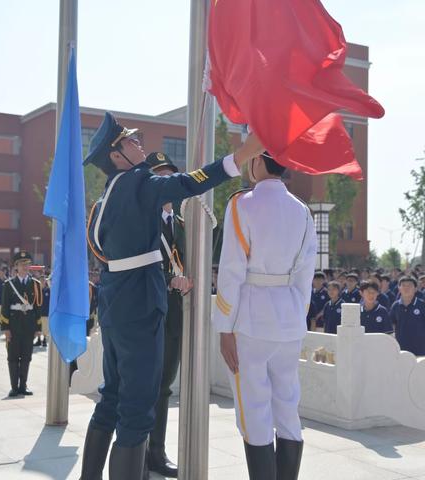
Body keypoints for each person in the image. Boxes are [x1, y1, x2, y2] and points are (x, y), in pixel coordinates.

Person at [79, 112, 263, 480]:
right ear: (116, 156)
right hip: (139, 307)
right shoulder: (136, 183)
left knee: (111, 398)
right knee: (136, 410)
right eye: (131, 142)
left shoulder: (107, 195)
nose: (139, 145)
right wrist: (239, 157)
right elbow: (187, 183)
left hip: (116, 305)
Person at [212, 152, 317, 479]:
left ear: (258, 163)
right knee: (287, 407)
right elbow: (305, 275)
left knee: (254, 412)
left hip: (250, 321)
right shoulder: (302, 211)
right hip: (288, 319)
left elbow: (231, 270)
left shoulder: (242, 205)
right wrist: (295, 315)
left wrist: (224, 327)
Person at [144, 152, 192, 479]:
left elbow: (189, 264)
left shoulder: (184, 225)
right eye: (160, 177)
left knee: (163, 388)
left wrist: (188, 281)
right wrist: (168, 279)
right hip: (147, 314)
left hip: (174, 314)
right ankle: (138, 450)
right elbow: (138, 270)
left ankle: (155, 452)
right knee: (143, 387)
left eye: (170, 176)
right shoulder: (141, 221)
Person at [0, 251, 43, 397]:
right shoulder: (9, 284)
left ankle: (23, 385)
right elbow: (4, 307)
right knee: (13, 357)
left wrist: (38, 327)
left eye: (27, 264)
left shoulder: (35, 284)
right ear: (16, 267)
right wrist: (5, 328)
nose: (25, 267)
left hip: (29, 326)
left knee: (26, 356)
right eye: (22, 264)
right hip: (13, 326)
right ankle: (14, 387)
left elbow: (38, 308)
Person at [390, 276, 425, 356]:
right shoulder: (395, 306)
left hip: (420, 349)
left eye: (409, 285)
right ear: (399, 288)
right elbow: (392, 324)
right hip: (401, 349)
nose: (406, 288)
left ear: (415, 289)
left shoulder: (422, 305)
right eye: (403, 285)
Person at [34, 276, 50, 347]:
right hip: (38, 312)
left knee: (45, 327)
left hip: (46, 312)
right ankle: (38, 339)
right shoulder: (37, 291)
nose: (42, 282)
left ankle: (44, 340)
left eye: (43, 281)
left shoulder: (48, 290)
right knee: (38, 327)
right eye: (40, 281)